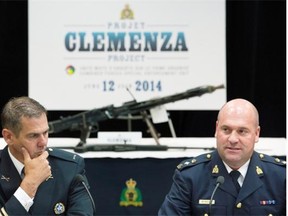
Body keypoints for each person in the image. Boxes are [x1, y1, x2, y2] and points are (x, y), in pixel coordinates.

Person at [158, 98, 286, 215]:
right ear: (216, 129)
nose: (233, 139)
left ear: (256, 134)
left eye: (242, 131)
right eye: (226, 130)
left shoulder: (281, 177)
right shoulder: (190, 177)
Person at [0, 96, 95, 215]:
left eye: (45, 132)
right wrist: (29, 185)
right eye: (33, 136)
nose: (43, 142)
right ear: (8, 137)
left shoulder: (70, 169)